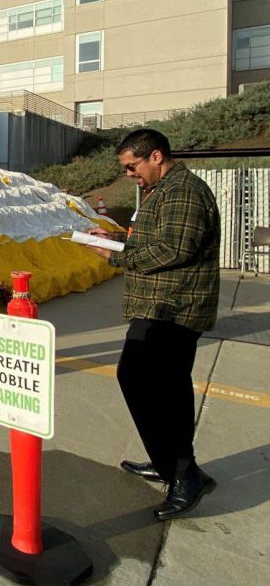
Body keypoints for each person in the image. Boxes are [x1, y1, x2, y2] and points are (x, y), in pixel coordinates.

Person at [87, 128, 220, 520]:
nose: (129, 174)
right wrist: (115, 241)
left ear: (156, 157)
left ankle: (183, 475)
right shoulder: (162, 191)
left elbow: (175, 249)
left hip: (173, 309)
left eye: (132, 167)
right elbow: (157, 241)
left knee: (140, 379)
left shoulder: (182, 192)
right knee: (165, 389)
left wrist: (116, 258)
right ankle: (173, 467)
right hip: (161, 305)